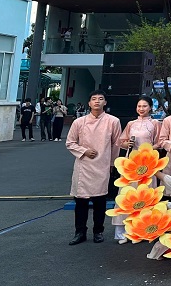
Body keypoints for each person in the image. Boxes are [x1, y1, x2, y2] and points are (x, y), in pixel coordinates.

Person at [66, 90, 122, 245]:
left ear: (105, 102)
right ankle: (80, 232)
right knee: (81, 202)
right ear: (89, 103)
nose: (97, 101)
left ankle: (98, 231)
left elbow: (116, 144)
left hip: (102, 165)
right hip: (83, 165)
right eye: (94, 99)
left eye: (100, 98)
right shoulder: (79, 122)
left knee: (100, 200)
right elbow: (70, 143)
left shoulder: (113, 121)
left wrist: (112, 164)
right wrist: (84, 151)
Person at [113, 96, 164, 243]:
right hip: (131, 163)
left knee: (145, 195)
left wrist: (148, 149)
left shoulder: (155, 123)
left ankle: (144, 231)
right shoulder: (131, 124)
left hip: (148, 163)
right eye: (139, 106)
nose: (141, 109)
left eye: (145, 106)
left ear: (150, 108)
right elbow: (121, 141)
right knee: (127, 194)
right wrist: (127, 144)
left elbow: (160, 142)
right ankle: (123, 232)